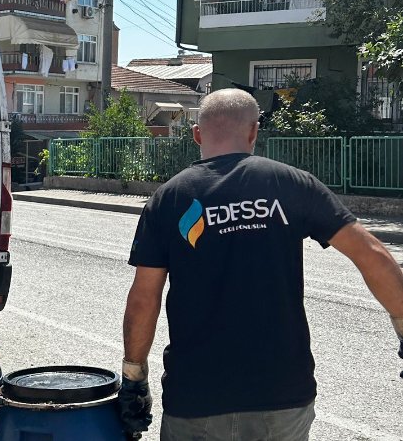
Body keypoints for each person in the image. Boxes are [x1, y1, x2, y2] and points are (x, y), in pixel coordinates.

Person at [117, 88, 403, 440]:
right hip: (282, 396)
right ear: (254, 131)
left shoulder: (169, 198)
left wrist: (133, 376)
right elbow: (370, 254)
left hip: (196, 397)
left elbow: (144, 297)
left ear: (197, 135)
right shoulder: (292, 184)